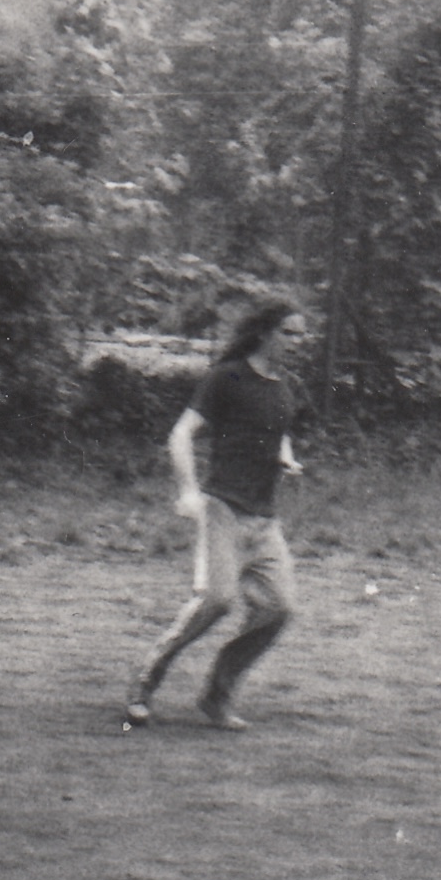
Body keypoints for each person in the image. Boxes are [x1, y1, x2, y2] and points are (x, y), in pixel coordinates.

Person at [124, 301, 308, 731]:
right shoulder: (227, 378)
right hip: (222, 508)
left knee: (279, 609)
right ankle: (144, 682)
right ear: (264, 333)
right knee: (217, 601)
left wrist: (286, 458)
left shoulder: (288, 387)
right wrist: (188, 491)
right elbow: (181, 434)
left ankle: (216, 697)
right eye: (290, 333)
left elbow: (279, 432)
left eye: (302, 335)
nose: (298, 342)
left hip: (264, 520)